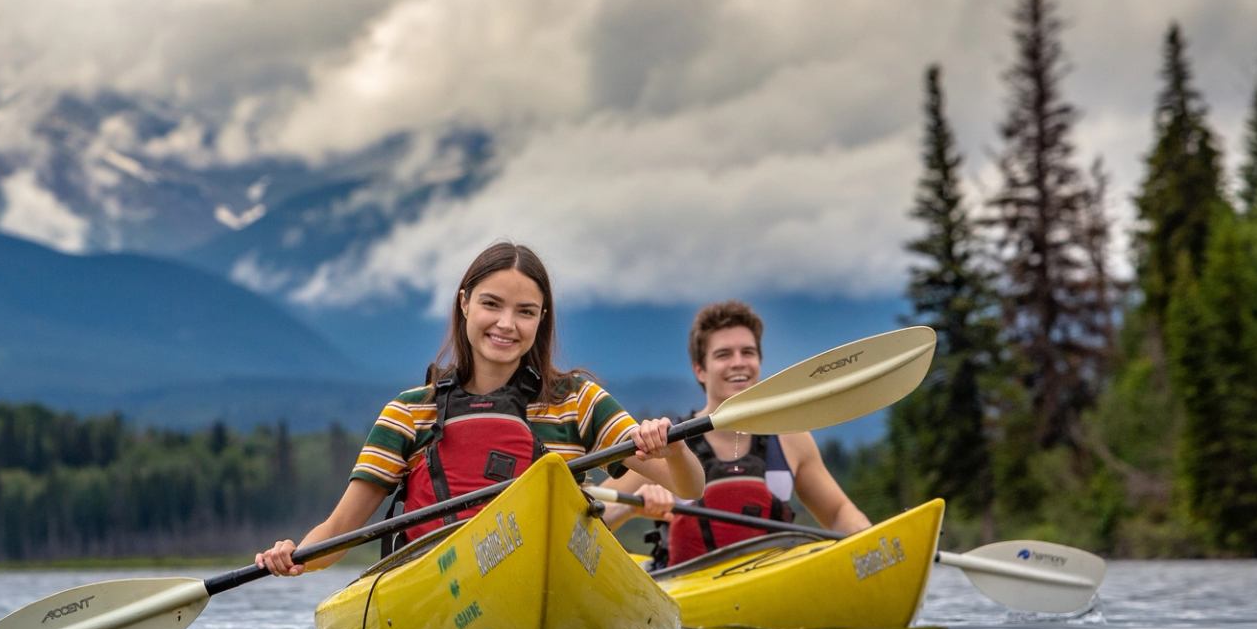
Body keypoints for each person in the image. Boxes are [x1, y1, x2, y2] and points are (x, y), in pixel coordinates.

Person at [255, 242, 704, 576]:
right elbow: (339, 529)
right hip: (435, 585)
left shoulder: (578, 401)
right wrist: (293, 558)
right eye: (492, 304)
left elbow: (690, 488)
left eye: (525, 312)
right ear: (465, 303)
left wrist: (672, 451)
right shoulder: (410, 413)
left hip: (550, 575)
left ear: (541, 319)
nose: (507, 324)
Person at [606, 299, 869, 566]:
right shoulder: (665, 443)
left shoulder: (791, 438)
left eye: (748, 352)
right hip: (689, 594)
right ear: (700, 370)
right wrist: (631, 507)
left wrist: (873, 544)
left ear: (759, 362)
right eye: (723, 355)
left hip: (772, 585)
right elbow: (596, 515)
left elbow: (837, 513)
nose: (738, 363)